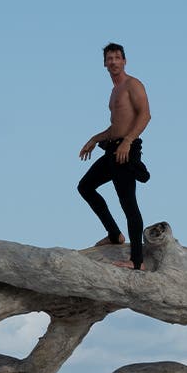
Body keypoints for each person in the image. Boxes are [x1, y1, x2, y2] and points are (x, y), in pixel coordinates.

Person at [76, 41, 152, 269]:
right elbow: (115, 127)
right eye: (109, 59)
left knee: (128, 203)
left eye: (117, 57)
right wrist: (95, 138)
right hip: (113, 149)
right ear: (105, 64)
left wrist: (127, 142)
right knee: (85, 187)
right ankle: (114, 234)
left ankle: (137, 261)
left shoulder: (132, 84)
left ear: (124, 61)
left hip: (125, 151)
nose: (113, 62)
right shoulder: (114, 92)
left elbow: (145, 115)